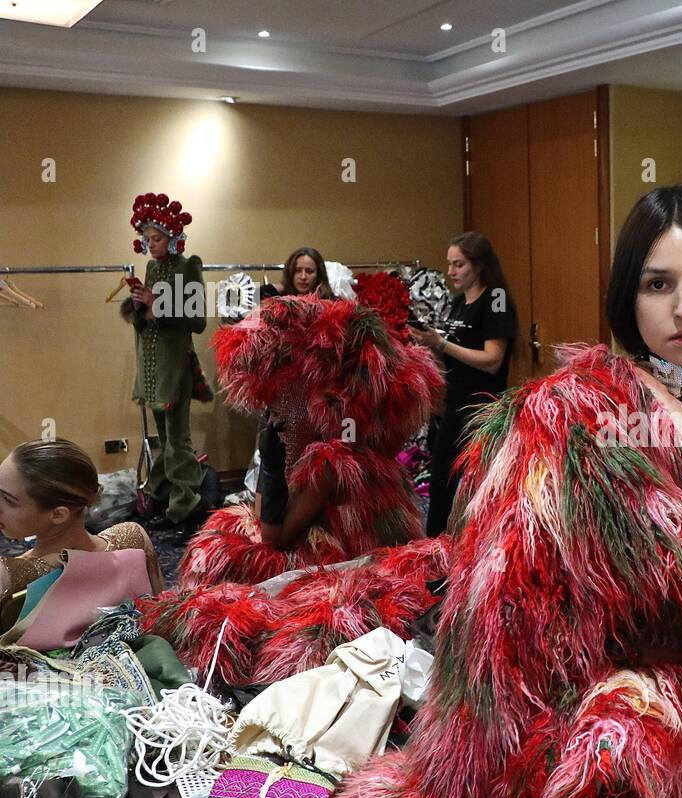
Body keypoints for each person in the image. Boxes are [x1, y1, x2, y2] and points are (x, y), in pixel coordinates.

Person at [331, 184, 682, 798]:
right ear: (627, 301)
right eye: (656, 285)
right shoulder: (577, 414)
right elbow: (510, 615)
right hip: (600, 717)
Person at [173, 294, 442, 588]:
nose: (275, 410)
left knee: (216, 556)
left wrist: (271, 470)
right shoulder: (351, 441)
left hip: (350, 573)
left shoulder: (332, 460)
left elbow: (273, 537)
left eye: (284, 401)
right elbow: (269, 516)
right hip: (352, 556)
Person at [409, 232, 518, 537]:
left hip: (481, 408)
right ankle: (436, 557)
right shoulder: (458, 303)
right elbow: (455, 355)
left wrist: (442, 344)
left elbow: (492, 359)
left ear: (479, 265)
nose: (451, 271)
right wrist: (430, 346)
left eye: (459, 265)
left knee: (469, 488)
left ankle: (458, 557)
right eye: (450, 264)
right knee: (440, 482)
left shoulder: (495, 299)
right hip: (455, 403)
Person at [120, 192, 212, 532]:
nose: (152, 245)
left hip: (175, 364)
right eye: (147, 240)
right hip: (152, 365)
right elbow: (149, 318)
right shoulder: (152, 267)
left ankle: (186, 505)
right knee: (165, 437)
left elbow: (197, 320)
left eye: (157, 239)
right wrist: (141, 306)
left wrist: (157, 303)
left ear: (173, 238)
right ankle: (163, 496)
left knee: (178, 438)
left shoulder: (189, 266)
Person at [0, 439, 163, 616]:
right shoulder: (133, 537)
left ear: (58, 514)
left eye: (8, 501)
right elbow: (166, 621)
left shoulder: (8, 577)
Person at [257, 247, 336, 300]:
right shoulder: (276, 295)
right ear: (290, 272)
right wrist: (278, 288)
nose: (303, 277)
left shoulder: (332, 302)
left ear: (319, 274)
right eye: (297, 271)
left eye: (309, 271)